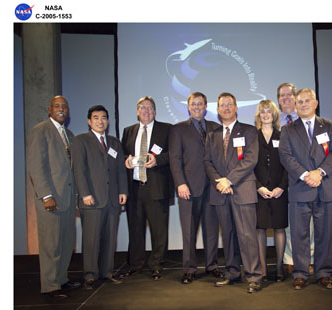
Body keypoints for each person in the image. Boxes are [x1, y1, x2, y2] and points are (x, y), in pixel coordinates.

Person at [279, 88, 332, 290]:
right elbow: (286, 157)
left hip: (325, 188)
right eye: (300, 102)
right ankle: (301, 273)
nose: (304, 104)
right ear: (295, 106)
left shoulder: (330, 126)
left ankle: (324, 272)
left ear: (315, 103)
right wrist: (307, 175)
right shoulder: (288, 130)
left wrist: (319, 172)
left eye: (307, 101)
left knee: (324, 234)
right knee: (299, 235)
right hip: (300, 188)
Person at [204, 92, 262, 294]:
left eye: (230, 104)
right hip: (220, 191)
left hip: (243, 189)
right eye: (222, 105)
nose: (226, 108)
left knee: (247, 235)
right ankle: (232, 273)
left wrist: (229, 180)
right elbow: (207, 162)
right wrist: (220, 182)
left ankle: (254, 276)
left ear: (236, 108)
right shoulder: (211, 136)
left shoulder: (249, 131)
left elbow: (250, 159)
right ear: (218, 110)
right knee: (227, 235)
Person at [27, 95, 80, 299]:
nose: (61, 109)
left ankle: (61, 279)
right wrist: (46, 195)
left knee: (66, 242)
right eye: (57, 106)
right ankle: (50, 286)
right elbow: (36, 166)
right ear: (49, 109)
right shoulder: (40, 131)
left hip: (67, 197)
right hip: (51, 198)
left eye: (64, 106)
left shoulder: (69, 134)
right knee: (51, 244)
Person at [71, 105, 128, 290]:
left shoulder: (114, 142)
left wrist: (123, 191)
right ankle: (90, 275)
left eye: (103, 117)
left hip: (112, 199)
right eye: (96, 118)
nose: (100, 121)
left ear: (108, 121)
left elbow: (120, 169)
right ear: (89, 121)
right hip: (92, 199)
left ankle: (107, 272)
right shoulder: (81, 141)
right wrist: (85, 193)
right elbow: (79, 169)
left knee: (110, 238)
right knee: (91, 239)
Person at [169, 92, 223, 284]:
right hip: (188, 188)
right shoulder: (178, 129)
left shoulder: (216, 128)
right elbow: (175, 160)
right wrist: (180, 183)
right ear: (188, 107)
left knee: (211, 230)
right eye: (194, 104)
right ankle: (189, 269)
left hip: (213, 188)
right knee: (189, 231)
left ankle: (212, 266)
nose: (197, 107)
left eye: (200, 104)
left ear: (206, 106)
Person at [121, 96, 174, 281]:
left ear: (155, 111)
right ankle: (135, 264)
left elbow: (174, 155)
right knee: (135, 228)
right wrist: (126, 161)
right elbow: (122, 155)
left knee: (159, 230)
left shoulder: (166, 129)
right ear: (137, 111)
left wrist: (157, 160)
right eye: (143, 108)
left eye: (150, 108)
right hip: (134, 188)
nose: (146, 111)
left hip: (157, 187)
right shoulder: (128, 131)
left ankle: (157, 264)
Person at [277, 82, 315, 276]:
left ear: (295, 98)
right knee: (289, 223)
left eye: (289, 95)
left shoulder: (308, 121)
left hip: (302, 179)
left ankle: (309, 258)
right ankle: (290, 258)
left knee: (307, 224)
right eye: (281, 96)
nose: (285, 99)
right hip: (281, 180)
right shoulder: (274, 121)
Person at [253, 100, 288, 282]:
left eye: (269, 111)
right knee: (260, 229)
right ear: (258, 116)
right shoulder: (253, 137)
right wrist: (258, 186)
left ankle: (280, 269)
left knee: (279, 228)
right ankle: (263, 270)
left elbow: (288, 165)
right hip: (259, 191)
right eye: (262, 112)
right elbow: (248, 165)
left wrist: (282, 186)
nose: (265, 114)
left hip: (279, 191)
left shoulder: (283, 136)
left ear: (274, 115)